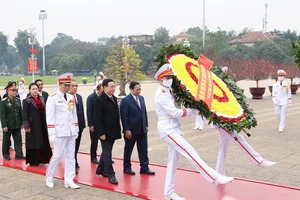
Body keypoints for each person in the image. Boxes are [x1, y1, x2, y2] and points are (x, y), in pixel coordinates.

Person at [154, 64, 233, 200]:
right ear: (161, 79)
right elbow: (174, 112)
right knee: (190, 151)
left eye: (171, 77)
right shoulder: (160, 94)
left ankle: (169, 192)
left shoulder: (168, 91)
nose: (170, 79)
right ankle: (213, 176)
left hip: (173, 128)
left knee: (173, 162)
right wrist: (192, 111)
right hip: (167, 129)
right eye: (167, 77)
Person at [45, 73, 80, 189]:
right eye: (66, 85)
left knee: (71, 156)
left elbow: (73, 114)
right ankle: (49, 177)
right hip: (59, 132)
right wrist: (51, 134)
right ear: (59, 84)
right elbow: (50, 117)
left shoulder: (71, 97)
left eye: (69, 85)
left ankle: (69, 180)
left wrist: (76, 129)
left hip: (70, 131)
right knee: (57, 156)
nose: (68, 87)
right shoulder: (52, 98)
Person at [120, 82, 155, 175]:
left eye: (140, 89)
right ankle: (127, 167)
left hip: (142, 129)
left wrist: (146, 125)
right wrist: (127, 129)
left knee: (143, 149)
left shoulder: (142, 98)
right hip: (131, 130)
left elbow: (144, 113)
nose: (139, 91)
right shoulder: (126, 100)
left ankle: (144, 167)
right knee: (128, 149)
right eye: (137, 89)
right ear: (131, 89)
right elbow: (124, 117)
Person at [95, 79, 121, 185]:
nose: (113, 89)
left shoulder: (114, 98)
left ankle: (100, 169)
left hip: (113, 131)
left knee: (106, 151)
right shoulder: (100, 100)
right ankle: (111, 174)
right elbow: (98, 119)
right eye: (111, 86)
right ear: (105, 87)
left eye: (114, 86)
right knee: (107, 153)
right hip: (104, 132)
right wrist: (101, 133)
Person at [23, 83, 52, 166]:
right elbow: (24, 114)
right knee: (34, 142)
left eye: (36, 89)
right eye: (33, 89)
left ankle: (44, 159)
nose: (35, 90)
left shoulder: (42, 98)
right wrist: (27, 126)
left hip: (42, 123)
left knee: (43, 140)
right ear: (29, 90)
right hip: (33, 124)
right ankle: (34, 160)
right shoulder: (27, 100)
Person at [0, 82, 25, 160]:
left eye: (16, 90)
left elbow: (20, 112)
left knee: (18, 140)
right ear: (8, 91)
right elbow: (2, 115)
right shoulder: (3, 102)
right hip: (8, 125)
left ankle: (19, 154)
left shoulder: (18, 100)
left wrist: (21, 123)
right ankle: (6, 154)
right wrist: (4, 125)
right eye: (13, 90)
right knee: (6, 141)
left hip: (17, 124)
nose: (15, 92)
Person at [69, 80, 86, 174]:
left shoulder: (78, 97)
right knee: (71, 146)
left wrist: (82, 124)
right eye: (73, 86)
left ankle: (74, 160)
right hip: (70, 127)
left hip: (79, 126)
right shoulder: (66, 97)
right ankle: (73, 164)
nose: (75, 87)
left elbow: (81, 112)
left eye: (76, 85)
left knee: (77, 145)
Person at [86, 84, 103, 164]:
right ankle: (93, 157)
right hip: (94, 124)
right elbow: (89, 112)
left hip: (102, 124)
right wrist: (90, 125)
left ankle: (105, 157)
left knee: (105, 142)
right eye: (101, 90)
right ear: (97, 89)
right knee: (94, 141)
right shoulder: (91, 98)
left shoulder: (103, 97)